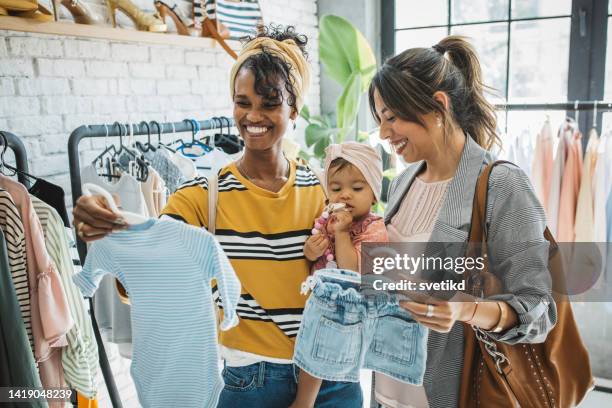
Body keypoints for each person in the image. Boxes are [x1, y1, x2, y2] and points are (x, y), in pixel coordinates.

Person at [72, 24, 362, 408]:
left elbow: (368, 276)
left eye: (269, 102)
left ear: (295, 108)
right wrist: (114, 226)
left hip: (333, 379)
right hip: (254, 381)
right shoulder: (203, 198)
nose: (253, 115)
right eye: (243, 102)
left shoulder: (327, 191)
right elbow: (152, 254)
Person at [368, 36, 557, 408]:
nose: (384, 133)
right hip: (385, 391)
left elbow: (538, 310)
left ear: (438, 106)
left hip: (449, 393)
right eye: (379, 120)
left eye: (391, 117)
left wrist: (465, 309)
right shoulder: (404, 182)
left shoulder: (502, 183)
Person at [292, 141, 388, 408]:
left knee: (323, 346)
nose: (345, 195)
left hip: (351, 310)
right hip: (320, 304)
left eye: (356, 188)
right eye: (336, 188)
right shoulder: (326, 221)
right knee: (313, 344)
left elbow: (351, 271)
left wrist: (343, 234)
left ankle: (304, 402)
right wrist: (311, 251)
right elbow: (316, 257)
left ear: (373, 195)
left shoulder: (374, 229)